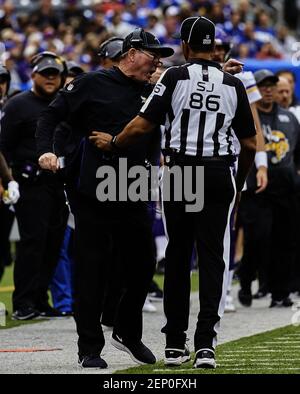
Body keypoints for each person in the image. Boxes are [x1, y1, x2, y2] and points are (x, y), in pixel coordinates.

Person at [89, 16, 257, 369]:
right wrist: (238, 183)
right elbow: (250, 142)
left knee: (179, 257)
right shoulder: (233, 83)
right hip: (217, 171)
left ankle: (175, 344)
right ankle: (206, 345)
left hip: (181, 170)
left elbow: (142, 124)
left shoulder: (174, 76)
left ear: (183, 45)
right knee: (213, 257)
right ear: (213, 46)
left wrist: (114, 141)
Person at [36, 29, 174, 368]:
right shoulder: (91, 84)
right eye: (151, 53)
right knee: (91, 270)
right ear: (129, 53)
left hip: (134, 187)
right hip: (93, 190)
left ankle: (126, 330)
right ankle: (89, 348)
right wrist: (45, 151)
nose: (157, 60)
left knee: (143, 266)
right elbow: (50, 116)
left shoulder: (152, 90)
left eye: (159, 55)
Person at [0, 51, 69, 320]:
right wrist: (8, 180)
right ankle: (23, 302)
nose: (51, 79)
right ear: (34, 76)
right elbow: (2, 146)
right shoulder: (18, 105)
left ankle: (41, 298)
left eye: (55, 74)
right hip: (29, 183)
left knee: (53, 244)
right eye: (46, 74)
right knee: (32, 243)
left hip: (58, 185)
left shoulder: (66, 104)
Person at [213, 27, 268, 308]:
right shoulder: (189, 75)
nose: (218, 51)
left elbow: (255, 125)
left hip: (233, 158)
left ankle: (225, 287)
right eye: (214, 46)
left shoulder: (243, 77)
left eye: (221, 46)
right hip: (199, 158)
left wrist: (261, 163)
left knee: (231, 225)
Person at [238, 69, 300, 308]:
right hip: (257, 189)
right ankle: (246, 278)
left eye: (271, 85)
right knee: (258, 238)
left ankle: (279, 292)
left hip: (285, 189)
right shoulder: (247, 117)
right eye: (263, 85)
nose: (268, 89)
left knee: (285, 241)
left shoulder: (290, 118)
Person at [0, 64, 20, 282]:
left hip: (7, 185)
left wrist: (9, 179)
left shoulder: (10, 108)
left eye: (3, 81)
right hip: (7, 181)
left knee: (3, 250)